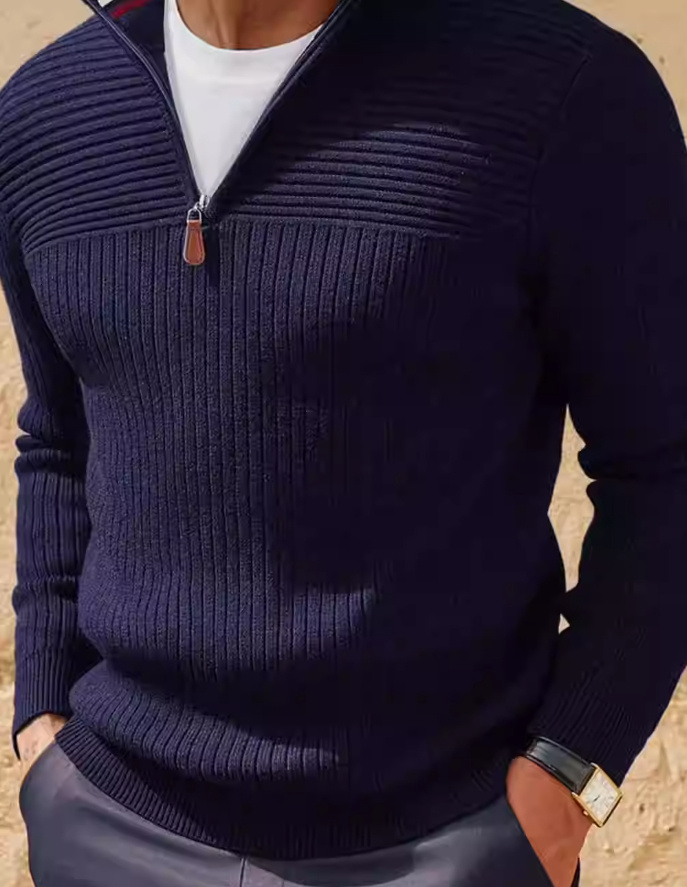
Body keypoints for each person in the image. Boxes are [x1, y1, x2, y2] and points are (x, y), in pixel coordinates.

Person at [1, 0, 686, 884]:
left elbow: (664, 464)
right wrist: (42, 720)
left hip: (447, 839)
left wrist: (569, 770)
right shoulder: (45, 114)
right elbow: (61, 436)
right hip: (109, 822)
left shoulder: (562, 90)